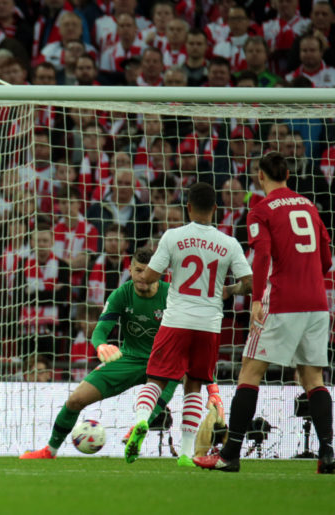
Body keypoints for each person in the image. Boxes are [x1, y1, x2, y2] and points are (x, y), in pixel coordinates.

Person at [196, 153, 335, 474]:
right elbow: (327, 255)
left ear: (260, 176)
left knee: (249, 372)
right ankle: (327, 454)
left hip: (282, 302)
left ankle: (230, 454)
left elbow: (262, 257)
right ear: (288, 173)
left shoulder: (260, 210)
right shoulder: (310, 206)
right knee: (313, 378)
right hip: (316, 302)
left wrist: (258, 298)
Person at [124, 182, 252, 466]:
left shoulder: (173, 236)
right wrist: (229, 290)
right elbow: (249, 283)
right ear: (216, 209)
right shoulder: (229, 243)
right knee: (194, 384)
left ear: (189, 207)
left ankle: (141, 420)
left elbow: (150, 276)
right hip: (208, 325)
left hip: (176, 320)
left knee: (156, 377)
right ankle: (185, 453)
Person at [21, 247, 182, 459]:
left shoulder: (172, 297)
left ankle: (140, 429)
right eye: (137, 270)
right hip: (129, 358)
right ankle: (50, 450)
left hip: (164, 361)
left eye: (147, 271)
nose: (142, 276)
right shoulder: (122, 294)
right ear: (130, 269)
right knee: (75, 400)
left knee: (176, 374)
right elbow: (100, 330)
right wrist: (101, 346)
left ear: (159, 272)